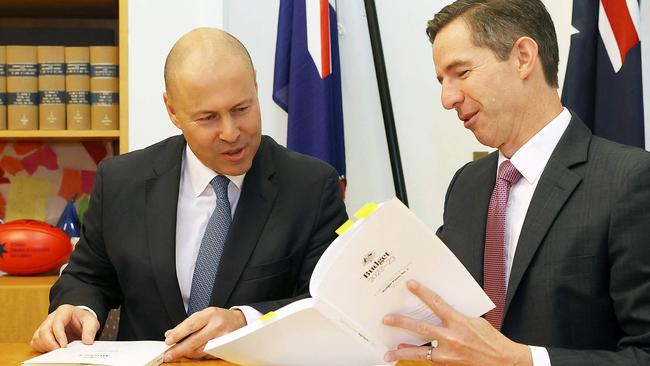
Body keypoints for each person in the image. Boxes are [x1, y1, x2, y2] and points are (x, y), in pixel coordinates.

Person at [30, 28, 348, 362]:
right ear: (172, 110)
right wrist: (76, 308)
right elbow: (88, 276)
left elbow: (326, 303)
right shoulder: (121, 181)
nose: (231, 132)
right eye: (208, 117)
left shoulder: (312, 186)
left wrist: (243, 321)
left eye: (241, 109)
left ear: (255, 86)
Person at [382, 1, 650, 365]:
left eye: (461, 72)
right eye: (441, 81)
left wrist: (524, 361)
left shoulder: (629, 180)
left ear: (523, 57)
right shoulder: (467, 185)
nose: (447, 98)